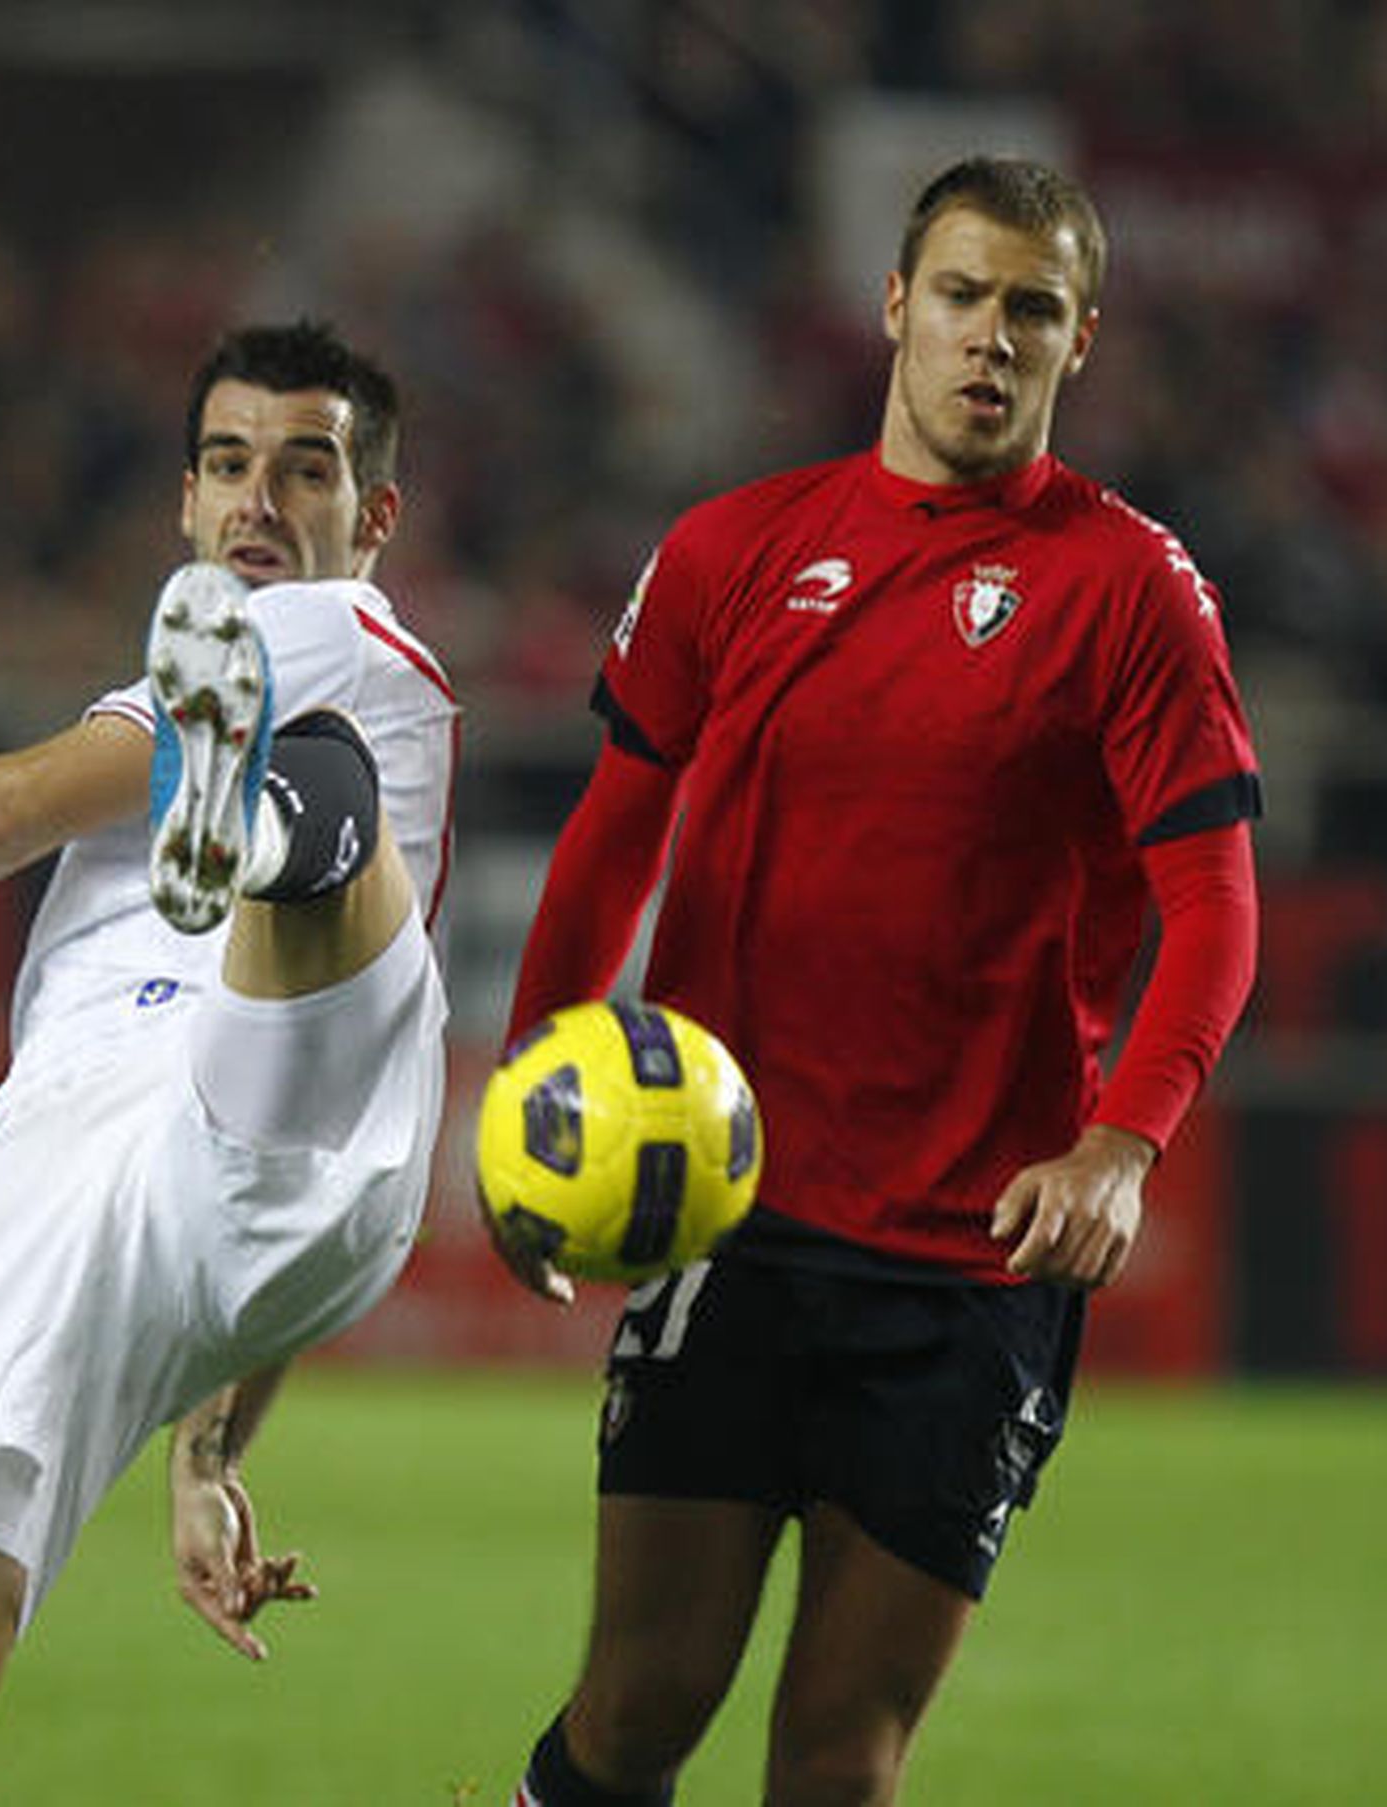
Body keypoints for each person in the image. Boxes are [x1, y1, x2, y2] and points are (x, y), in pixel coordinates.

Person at [491, 157, 1261, 1806]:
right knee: (637, 1710)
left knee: (839, 1763)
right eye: (964, 295)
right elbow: (611, 845)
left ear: (1080, 340)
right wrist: (528, 1094)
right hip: (728, 1218)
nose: (993, 336)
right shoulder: (732, 549)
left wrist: (1123, 1144)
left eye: (1034, 309)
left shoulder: (1132, 590)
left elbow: (1214, 901)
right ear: (897, 305)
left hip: (973, 1267)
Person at [0, 319, 457, 1806]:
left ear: (375, 517)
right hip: (86, 1160)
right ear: (184, 498)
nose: (258, 503)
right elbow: (246, 1243)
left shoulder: (325, 632)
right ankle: (259, 826)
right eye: (227, 465)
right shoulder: (217, 658)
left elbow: (1, 814)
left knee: (308, 786)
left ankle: (272, 826)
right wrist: (211, 1444)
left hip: (304, 1077)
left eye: (307, 471)